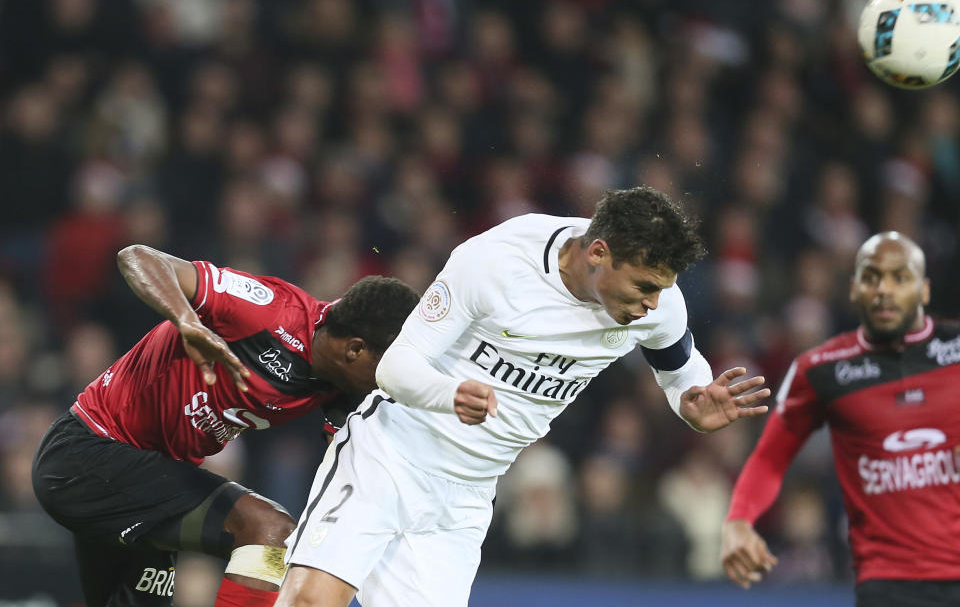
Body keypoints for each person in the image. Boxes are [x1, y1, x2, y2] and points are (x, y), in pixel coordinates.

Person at [276, 186, 772, 607]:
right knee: (310, 600)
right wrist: (449, 394)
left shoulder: (658, 305)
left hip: (467, 495)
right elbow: (396, 366)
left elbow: (679, 367)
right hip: (392, 455)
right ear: (597, 253)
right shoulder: (496, 261)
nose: (652, 305)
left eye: (662, 291)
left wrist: (690, 400)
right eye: (644, 287)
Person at [31, 245, 419, 607]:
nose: (390, 380)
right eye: (387, 367)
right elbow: (137, 256)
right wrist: (186, 320)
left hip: (149, 481)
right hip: (88, 453)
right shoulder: (267, 311)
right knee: (269, 531)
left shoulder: (345, 388)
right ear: (354, 349)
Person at [721, 232, 960, 606]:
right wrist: (738, 520)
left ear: (924, 290)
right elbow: (770, 458)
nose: (884, 289)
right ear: (853, 288)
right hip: (887, 586)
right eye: (871, 277)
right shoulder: (821, 371)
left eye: (900, 277)